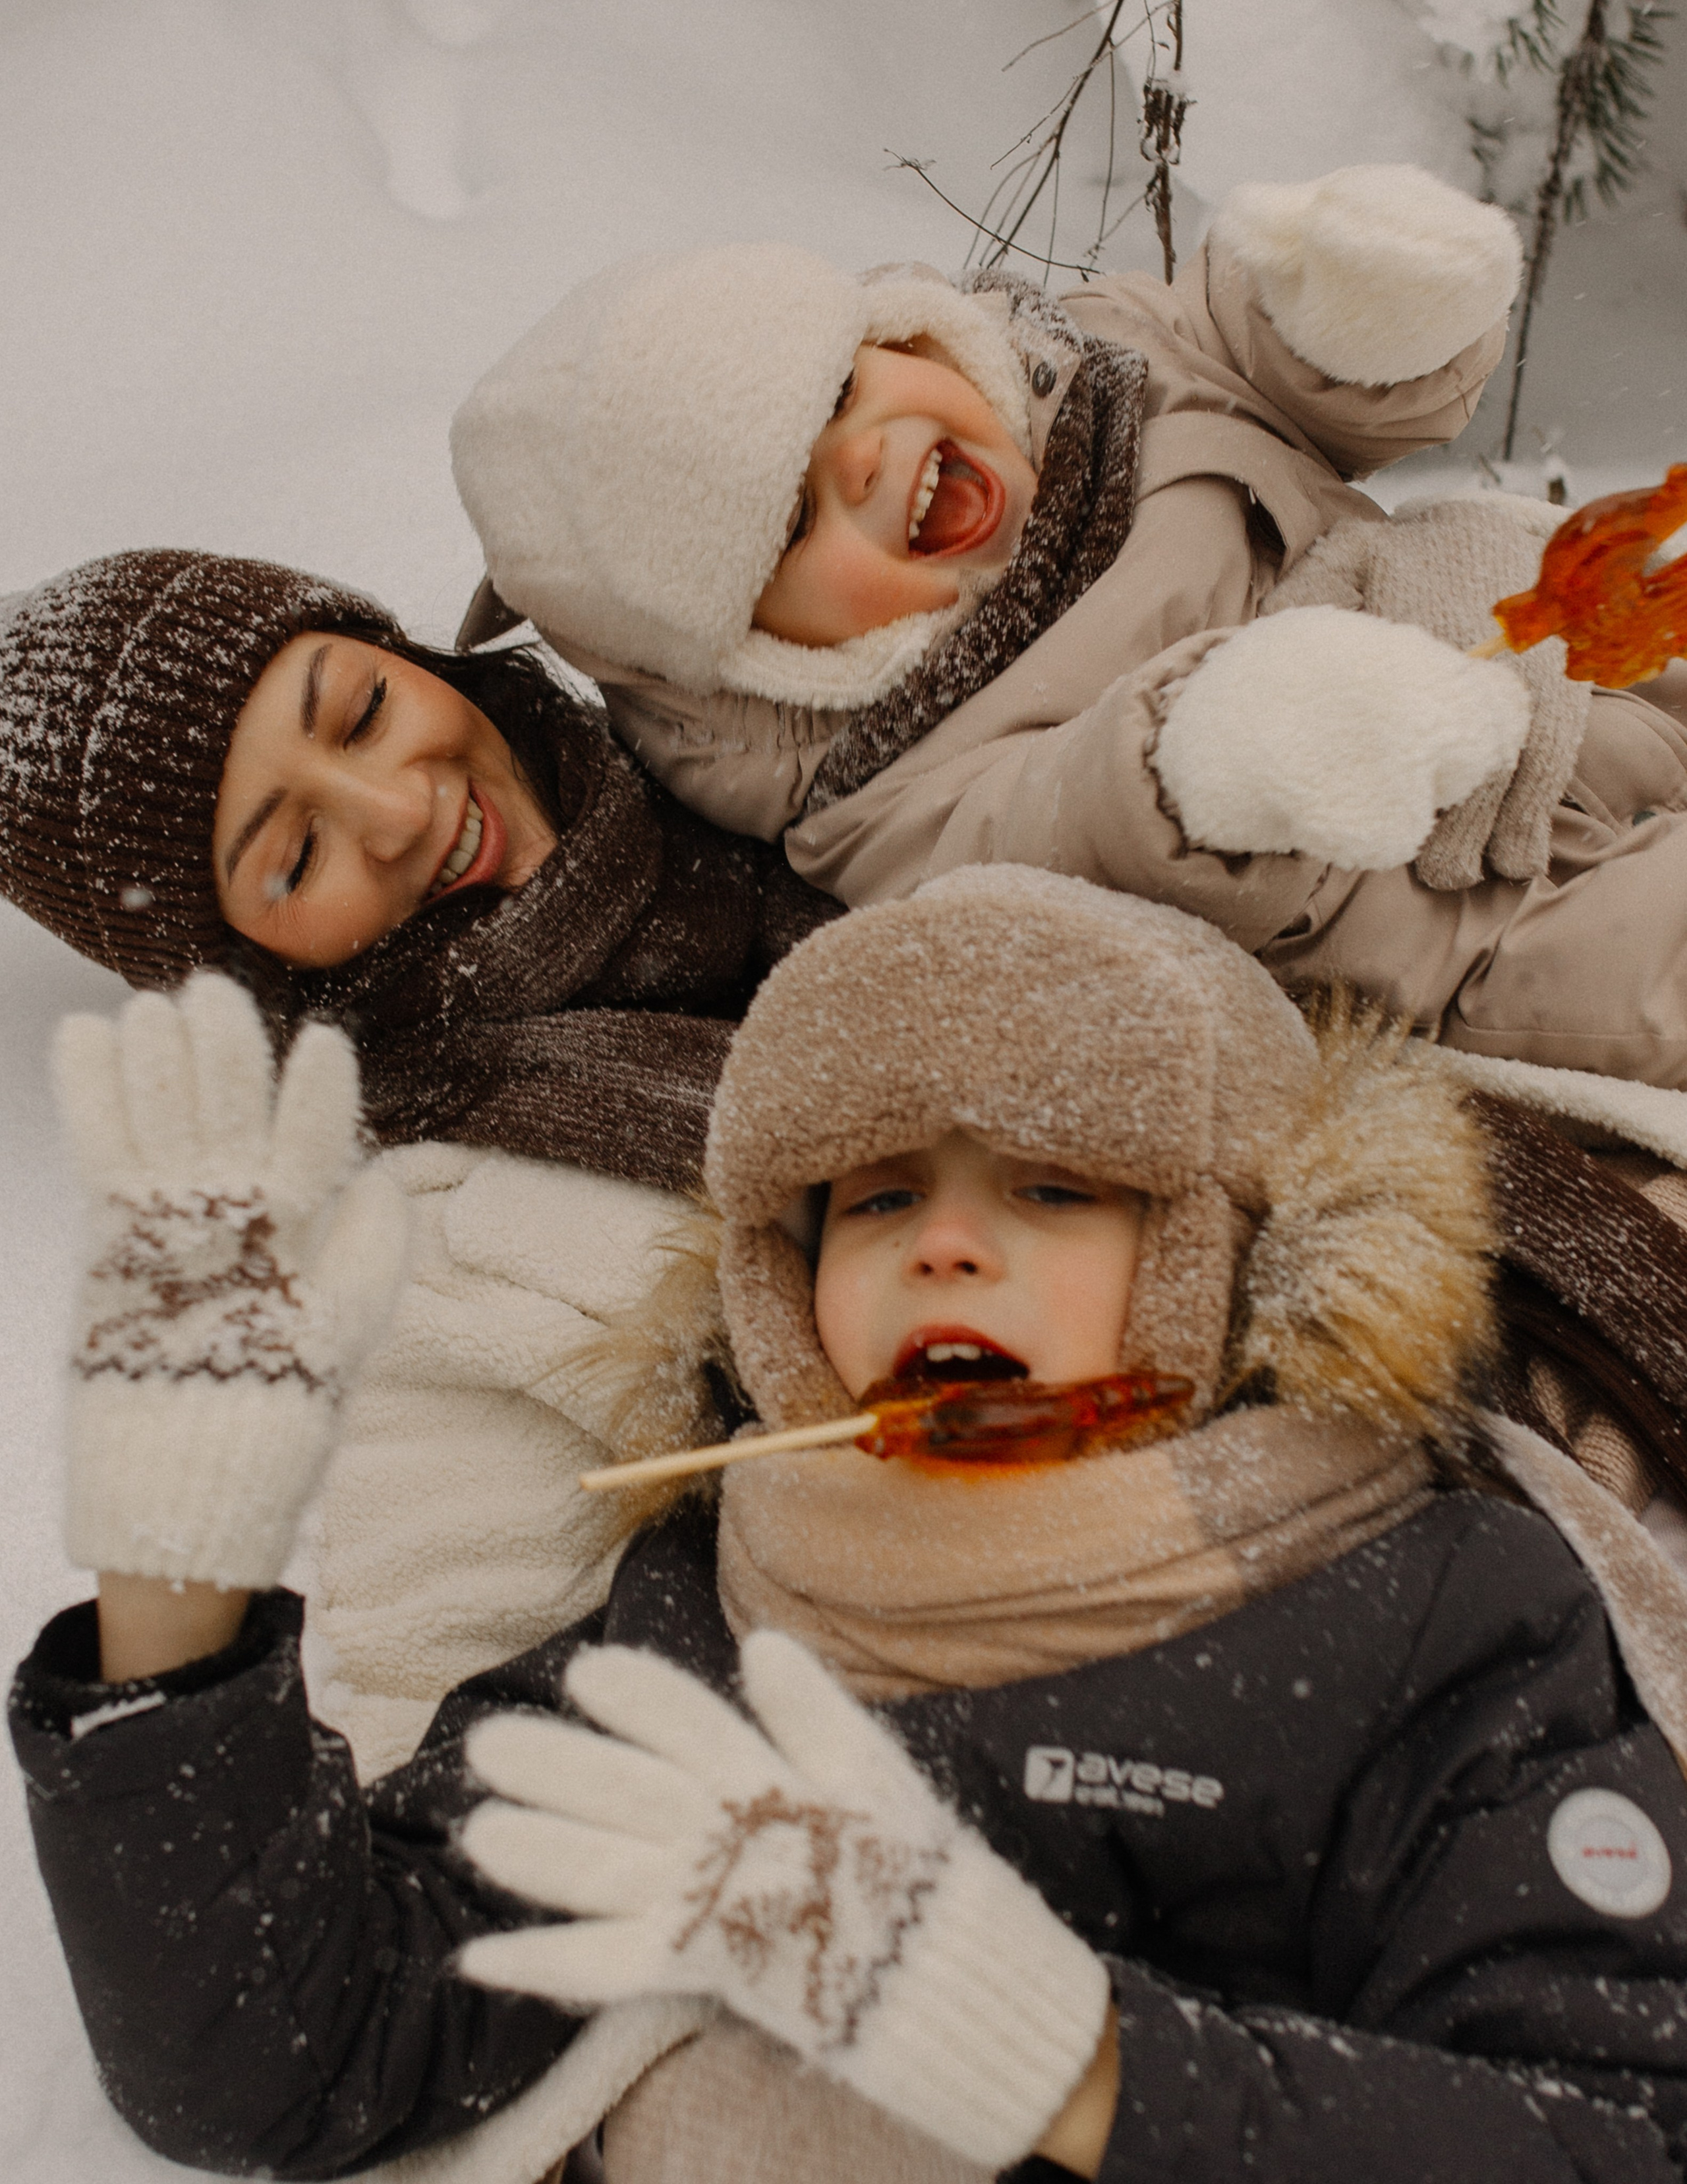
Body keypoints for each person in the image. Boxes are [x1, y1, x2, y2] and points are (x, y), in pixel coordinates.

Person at [16, 869, 1687, 2183]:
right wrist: (178, 1569)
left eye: (1050, 1183)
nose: (943, 1246)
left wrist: (1068, 2061)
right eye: (875, 1196)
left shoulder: (1433, 1616)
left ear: (1227, 1249)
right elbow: (292, 2057)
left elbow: (1608, 2134)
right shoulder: (694, 1611)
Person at [450, 163, 1687, 1088]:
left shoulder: (1099, 358)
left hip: (1539, 639)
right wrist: (1207, 760)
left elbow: (1246, 350)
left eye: (837, 392)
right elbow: (1068, 828)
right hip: (1469, 925)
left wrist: (1346, 316)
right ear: (760, 660)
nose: (869, 460)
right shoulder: (879, 803)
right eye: (787, 523)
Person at [0, 547, 836, 1194]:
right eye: (296, 859)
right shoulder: (460, 1196)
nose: (402, 814)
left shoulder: (734, 693)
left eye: (364, 714)